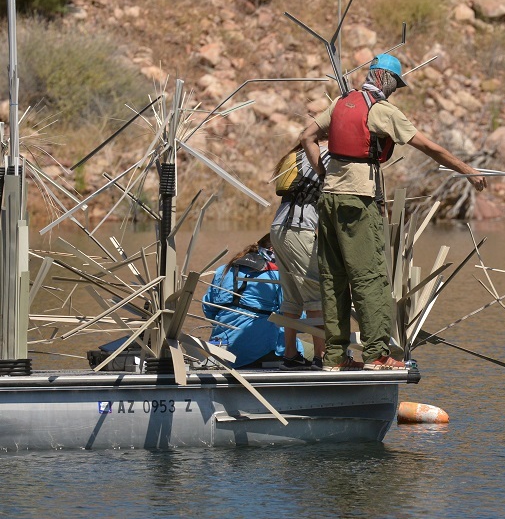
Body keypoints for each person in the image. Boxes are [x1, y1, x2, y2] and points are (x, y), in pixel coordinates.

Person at [299, 53, 487, 371]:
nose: (395, 90)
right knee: (370, 277)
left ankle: (334, 358)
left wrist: (323, 173)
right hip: (359, 201)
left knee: (333, 279)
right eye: (396, 84)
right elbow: (430, 148)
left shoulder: (341, 103)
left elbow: (306, 137)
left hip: (328, 199)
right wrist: (467, 169)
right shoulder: (382, 110)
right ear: (385, 79)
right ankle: (375, 355)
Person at [270, 145, 330, 370]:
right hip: (298, 228)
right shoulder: (325, 153)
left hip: (278, 228)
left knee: (293, 295)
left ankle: (291, 354)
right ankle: (322, 356)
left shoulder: (297, 154)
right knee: (316, 291)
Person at [201, 233, 285, 369]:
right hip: (259, 351)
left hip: (221, 350)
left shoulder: (222, 270)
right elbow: (293, 319)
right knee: (309, 352)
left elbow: (208, 309)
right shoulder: (276, 276)